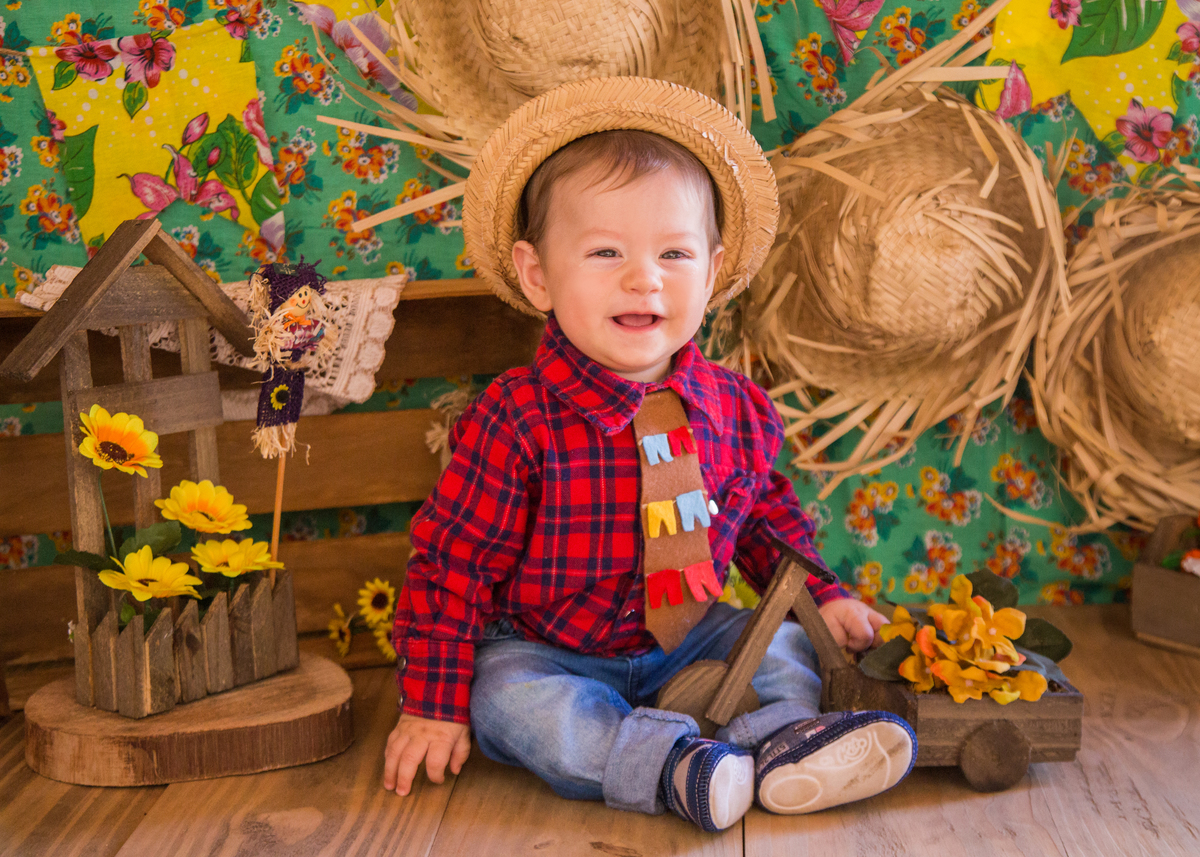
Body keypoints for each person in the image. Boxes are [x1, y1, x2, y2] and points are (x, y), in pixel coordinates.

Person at [383, 77, 916, 832]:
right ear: (538, 274)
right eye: (605, 251)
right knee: (505, 700)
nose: (645, 276)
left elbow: (767, 521)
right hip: (551, 648)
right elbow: (454, 563)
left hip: (691, 634)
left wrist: (824, 593)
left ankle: (784, 743)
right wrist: (431, 706)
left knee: (782, 645)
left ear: (712, 270)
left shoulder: (736, 409)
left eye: (674, 252)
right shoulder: (516, 418)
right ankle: (676, 765)